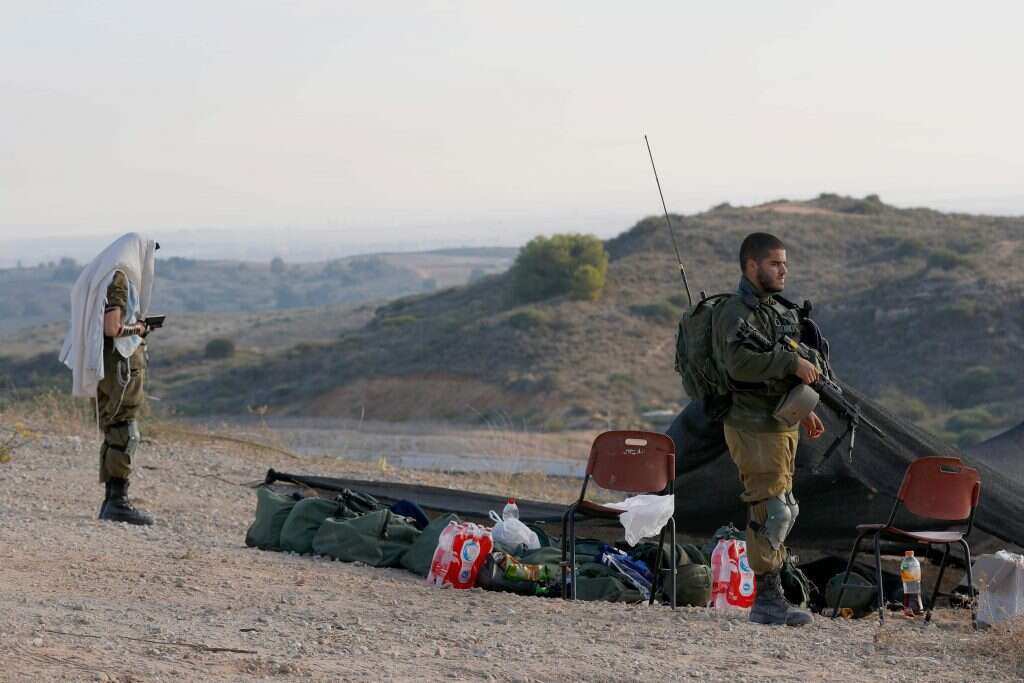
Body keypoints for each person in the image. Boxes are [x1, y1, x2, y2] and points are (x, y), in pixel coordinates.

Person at [711, 232, 826, 626]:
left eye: (785, 264)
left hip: (778, 422)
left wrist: (802, 409)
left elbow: (773, 370)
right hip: (751, 425)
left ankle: (772, 592)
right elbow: (739, 365)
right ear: (752, 265)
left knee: (785, 507)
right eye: (775, 263)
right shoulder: (734, 312)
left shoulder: (774, 311)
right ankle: (767, 600)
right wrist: (791, 364)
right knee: (771, 509)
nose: (783, 271)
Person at [60, 233, 160, 525]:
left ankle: (112, 501)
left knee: (115, 428)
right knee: (124, 430)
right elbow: (112, 327)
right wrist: (139, 328)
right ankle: (117, 502)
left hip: (111, 364)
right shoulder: (119, 278)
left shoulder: (107, 274)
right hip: (120, 365)